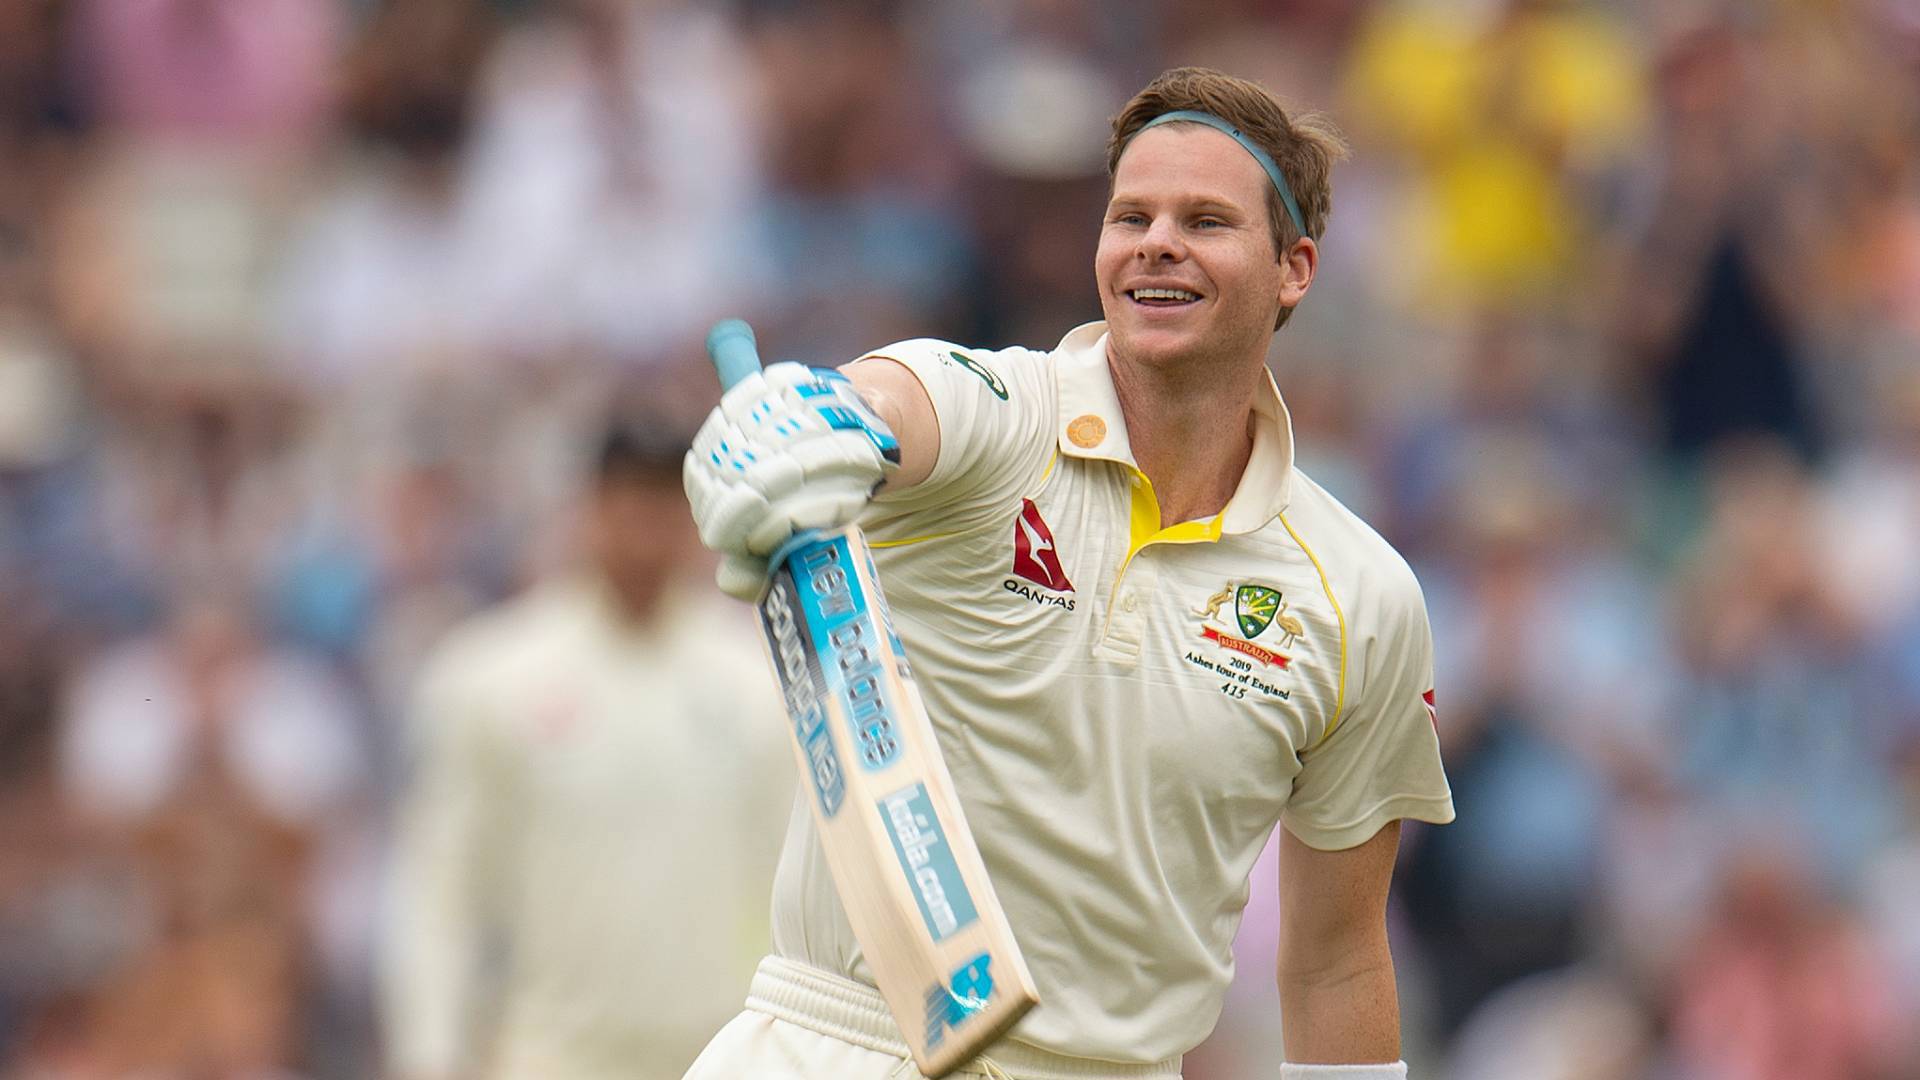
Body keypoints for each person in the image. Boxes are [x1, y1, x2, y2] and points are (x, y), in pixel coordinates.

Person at [682, 67, 1455, 1080]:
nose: (1157, 242)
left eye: (1206, 219)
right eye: (1131, 214)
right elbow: (897, 402)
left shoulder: (1362, 595)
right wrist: (821, 418)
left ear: (1294, 268)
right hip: (839, 1044)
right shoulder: (1005, 413)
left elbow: (1337, 962)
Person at [381, 417, 792, 1080]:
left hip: (719, 1051)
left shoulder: (758, 686)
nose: (643, 531)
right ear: (588, 510)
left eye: (662, 507)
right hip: (552, 1053)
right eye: (626, 503)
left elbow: (792, 887)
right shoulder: (493, 677)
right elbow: (441, 886)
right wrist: (429, 1051)